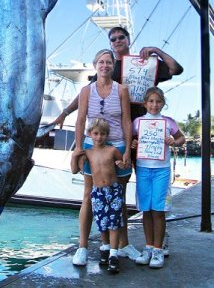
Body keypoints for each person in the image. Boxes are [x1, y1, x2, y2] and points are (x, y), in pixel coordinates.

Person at [55, 26, 183, 259]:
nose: (116, 41)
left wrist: (155, 50)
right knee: (92, 193)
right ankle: (96, 246)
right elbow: (83, 100)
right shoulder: (106, 72)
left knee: (121, 195)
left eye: (120, 37)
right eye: (112, 38)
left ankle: (136, 244)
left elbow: (176, 68)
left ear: (128, 39)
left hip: (139, 137)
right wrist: (64, 112)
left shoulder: (145, 64)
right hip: (103, 139)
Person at [71, 49, 133, 266]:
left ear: (113, 66)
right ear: (95, 64)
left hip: (116, 145)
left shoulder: (122, 90)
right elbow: (80, 121)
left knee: (119, 197)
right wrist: (79, 148)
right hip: (92, 147)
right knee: (88, 195)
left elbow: (126, 120)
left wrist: (127, 150)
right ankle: (83, 247)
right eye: (101, 62)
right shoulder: (86, 91)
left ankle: (122, 245)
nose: (105, 65)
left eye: (108, 62)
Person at [134, 87, 185, 269]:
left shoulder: (168, 122)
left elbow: (181, 138)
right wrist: (134, 143)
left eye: (158, 101)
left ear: (163, 103)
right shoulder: (137, 122)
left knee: (159, 210)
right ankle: (148, 247)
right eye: (151, 101)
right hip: (143, 169)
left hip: (161, 170)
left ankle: (158, 249)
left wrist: (174, 141)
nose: (154, 105)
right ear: (145, 104)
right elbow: (133, 140)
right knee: (146, 211)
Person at [71, 118, 125, 273]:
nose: (99, 137)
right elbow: (74, 170)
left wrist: (122, 163)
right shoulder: (87, 153)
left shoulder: (112, 150)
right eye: (95, 133)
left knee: (114, 222)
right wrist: (75, 155)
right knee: (102, 222)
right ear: (90, 134)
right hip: (97, 192)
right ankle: (105, 249)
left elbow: (122, 165)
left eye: (102, 134)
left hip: (114, 190)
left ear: (107, 135)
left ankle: (114, 255)